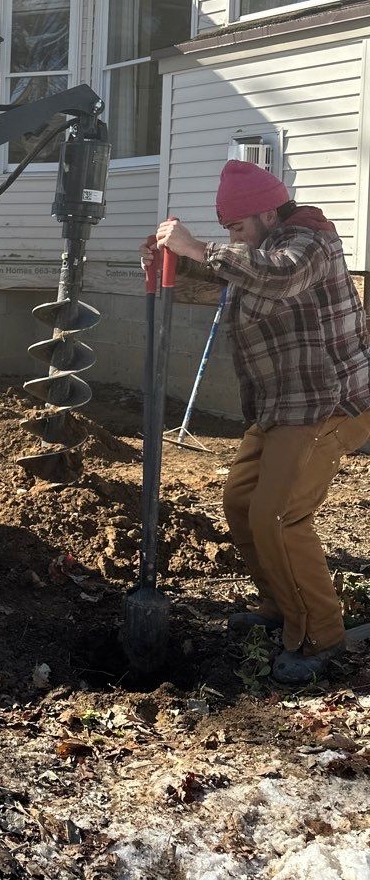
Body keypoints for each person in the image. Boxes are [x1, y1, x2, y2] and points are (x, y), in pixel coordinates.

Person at [142, 159, 370, 684]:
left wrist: (198, 247)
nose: (231, 237)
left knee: (279, 514)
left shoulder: (310, 240)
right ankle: (279, 608)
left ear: (268, 213)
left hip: (329, 403)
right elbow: (240, 267)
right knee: (242, 503)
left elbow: (279, 275)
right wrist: (167, 258)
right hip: (280, 406)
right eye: (227, 231)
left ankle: (320, 635)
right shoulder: (261, 248)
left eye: (237, 228)